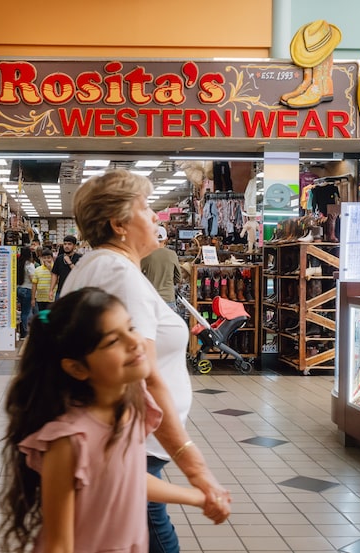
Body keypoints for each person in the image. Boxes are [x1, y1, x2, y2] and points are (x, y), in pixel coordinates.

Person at [62, 169, 231, 553]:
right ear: (119, 223)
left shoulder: (100, 265)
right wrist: (197, 472)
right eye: (146, 207)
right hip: (130, 447)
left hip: (124, 445)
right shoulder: (118, 273)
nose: (157, 216)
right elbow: (145, 378)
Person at [0, 288, 225, 553]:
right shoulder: (69, 441)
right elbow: (59, 545)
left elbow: (126, 479)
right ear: (77, 367)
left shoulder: (129, 409)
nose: (134, 342)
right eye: (112, 341)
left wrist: (196, 497)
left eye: (130, 328)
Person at [141, 225, 181, 311]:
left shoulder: (146, 254)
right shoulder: (172, 254)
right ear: (166, 240)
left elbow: (137, 273)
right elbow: (178, 278)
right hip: (168, 298)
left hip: (151, 298)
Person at [49, 235, 80, 299]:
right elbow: (55, 274)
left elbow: (79, 274)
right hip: (60, 291)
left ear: (74, 246)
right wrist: (51, 290)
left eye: (69, 244)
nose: (66, 246)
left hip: (75, 292)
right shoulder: (59, 258)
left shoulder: (80, 258)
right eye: (65, 244)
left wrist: (70, 262)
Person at [16, 249, 36, 339]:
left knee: (20, 312)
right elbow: (33, 279)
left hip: (19, 289)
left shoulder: (19, 264)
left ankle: (20, 331)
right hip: (27, 289)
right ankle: (24, 333)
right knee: (25, 313)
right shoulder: (30, 265)